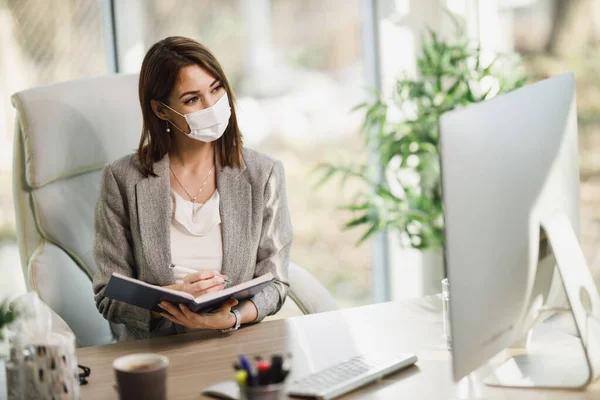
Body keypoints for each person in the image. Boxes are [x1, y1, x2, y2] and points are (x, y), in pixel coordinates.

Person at [92, 36, 293, 341]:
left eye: (216, 89)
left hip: (233, 345)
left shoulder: (263, 174)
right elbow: (108, 297)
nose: (211, 106)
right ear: (161, 111)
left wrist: (232, 317)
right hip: (155, 355)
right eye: (192, 99)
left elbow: (275, 284)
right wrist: (167, 299)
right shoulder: (122, 179)